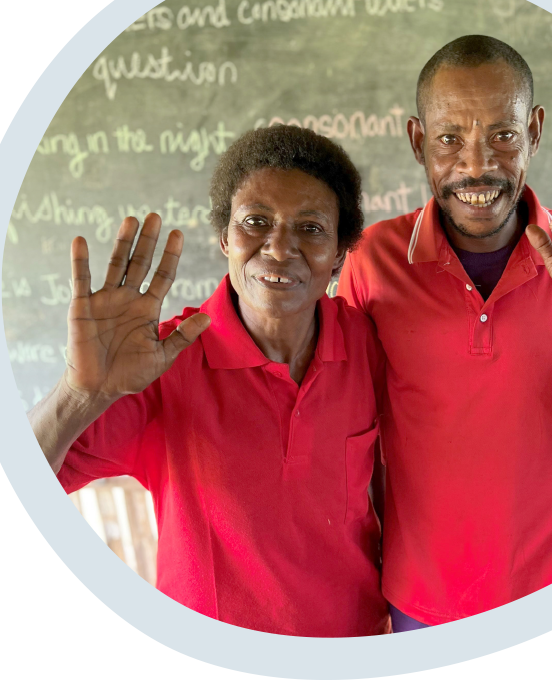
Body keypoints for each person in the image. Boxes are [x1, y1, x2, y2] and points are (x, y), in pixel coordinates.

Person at [337, 35, 552, 631]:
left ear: (535, 131)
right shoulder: (373, 261)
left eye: (503, 134)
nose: (476, 165)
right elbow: (343, 430)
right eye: (449, 139)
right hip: (421, 606)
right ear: (418, 141)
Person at [29, 125, 390, 637]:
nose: (280, 247)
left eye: (310, 228)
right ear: (225, 237)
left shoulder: (367, 343)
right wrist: (80, 393)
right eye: (255, 222)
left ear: (339, 253)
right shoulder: (160, 361)